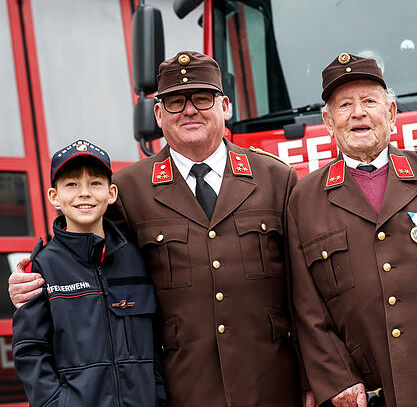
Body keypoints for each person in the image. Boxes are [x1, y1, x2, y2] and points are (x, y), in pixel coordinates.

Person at [9, 52, 311, 407]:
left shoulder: (275, 178)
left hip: (272, 385)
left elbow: (304, 292)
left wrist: (312, 383)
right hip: (182, 389)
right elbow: (86, 256)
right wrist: (35, 278)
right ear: (157, 114)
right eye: (174, 102)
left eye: (201, 98)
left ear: (225, 106)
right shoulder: (129, 189)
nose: (189, 110)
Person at [287, 53, 417, 407]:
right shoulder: (304, 199)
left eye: (369, 101)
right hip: (363, 392)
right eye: (345, 105)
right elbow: (306, 308)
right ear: (328, 120)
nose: (358, 113)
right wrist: (336, 378)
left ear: (390, 113)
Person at [12, 140, 166, 407]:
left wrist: (159, 397)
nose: (84, 193)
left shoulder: (138, 258)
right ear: (54, 196)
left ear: (111, 193)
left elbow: (155, 342)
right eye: (71, 184)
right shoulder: (43, 267)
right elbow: (30, 350)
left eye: (95, 183)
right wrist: (55, 403)